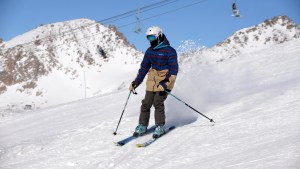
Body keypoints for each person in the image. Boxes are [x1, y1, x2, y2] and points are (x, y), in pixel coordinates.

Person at [129, 26, 178, 138]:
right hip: (152, 80)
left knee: (158, 102)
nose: (150, 41)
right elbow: (143, 69)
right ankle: (142, 125)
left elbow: (174, 70)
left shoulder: (169, 51)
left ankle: (160, 126)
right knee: (146, 103)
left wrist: (165, 83)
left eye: (152, 38)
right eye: (148, 38)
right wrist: (135, 82)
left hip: (165, 80)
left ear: (159, 36)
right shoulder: (150, 51)